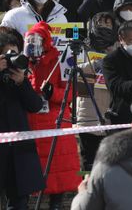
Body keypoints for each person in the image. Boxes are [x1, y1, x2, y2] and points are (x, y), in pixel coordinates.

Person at [23, 22, 81, 209]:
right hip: (32, 118)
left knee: (60, 163)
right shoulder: (24, 62)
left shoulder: (60, 59)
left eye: (37, 40)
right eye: (30, 41)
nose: (33, 44)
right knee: (35, 165)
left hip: (55, 118)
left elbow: (71, 92)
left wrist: (52, 92)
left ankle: (57, 202)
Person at [0, 31, 46, 210]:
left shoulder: (19, 78)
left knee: (19, 203)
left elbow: (35, 106)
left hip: (19, 151)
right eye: (8, 54)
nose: (13, 59)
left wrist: (22, 83)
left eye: (15, 53)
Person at [75, 20, 117, 171]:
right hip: (87, 117)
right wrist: (92, 65)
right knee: (89, 163)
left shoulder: (118, 57)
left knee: (108, 163)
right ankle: (88, 191)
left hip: (109, 116)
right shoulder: (82, 53)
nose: (109, 48)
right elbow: (77, 84)